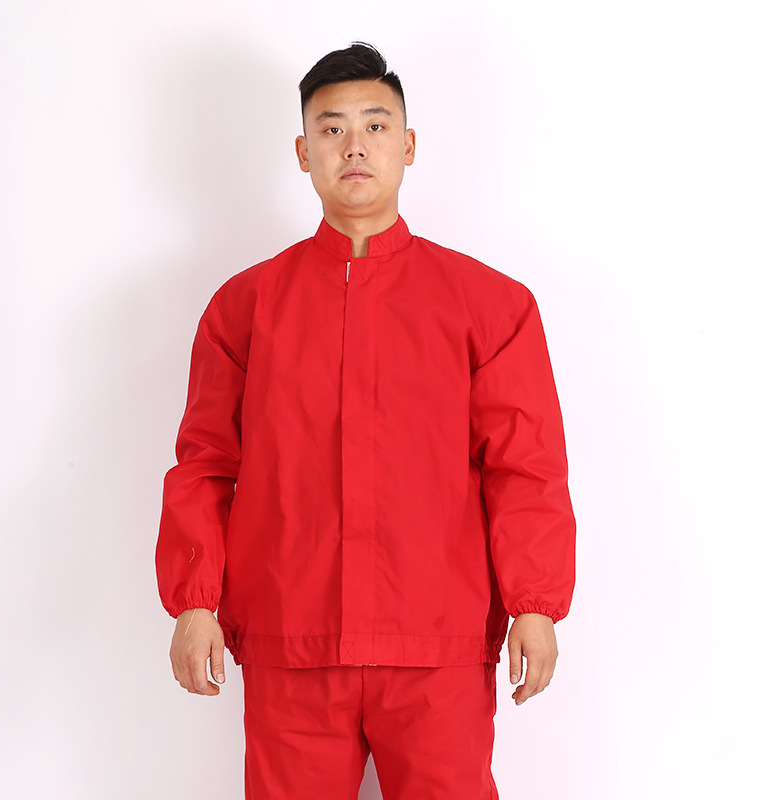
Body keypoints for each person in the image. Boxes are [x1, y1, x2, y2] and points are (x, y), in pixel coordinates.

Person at [156, 42, 576, 800]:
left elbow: (526, 467)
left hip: (438, 643)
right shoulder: (245, 309)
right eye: (332, 128)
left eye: (376, 126)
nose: (354, 146)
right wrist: (193, 600)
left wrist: (535, 604)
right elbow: (206, 464)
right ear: (303, 152)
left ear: (408, 145)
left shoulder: (490, 307)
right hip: (292, 640)